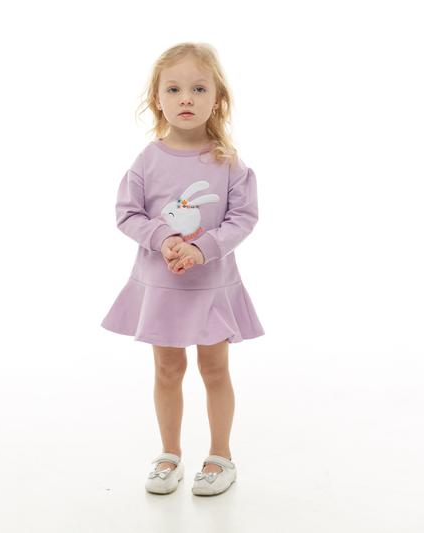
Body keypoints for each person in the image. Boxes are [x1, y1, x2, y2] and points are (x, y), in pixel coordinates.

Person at [100, 42, 265, 497]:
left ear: (218, 98)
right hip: (162, 287)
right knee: (168, 370)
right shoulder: (147, 160)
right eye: (173, 89)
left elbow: (243, 217)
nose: (186, 98)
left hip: (211, 286)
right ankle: (169, 454)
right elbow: (128, 214)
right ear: (157, 99)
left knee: (214, 369)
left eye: (198, 88)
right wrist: (165, 239)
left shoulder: (228, 162)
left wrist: (203, 248)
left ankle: (220, 456)